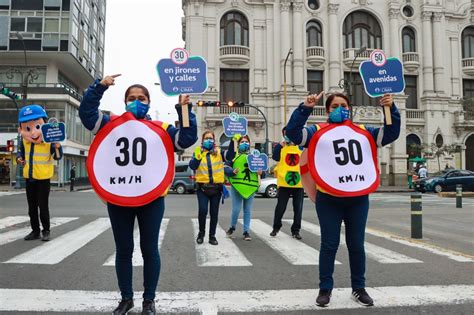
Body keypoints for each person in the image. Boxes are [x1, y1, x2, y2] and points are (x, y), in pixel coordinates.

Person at [79, 74, 197, 315]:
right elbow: (87, 113)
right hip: (119, 197)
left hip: (151, 199)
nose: (136, 101)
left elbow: (186, 138)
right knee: (123, 249)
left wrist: (184, 109)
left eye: (141, 98)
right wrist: (99, 87)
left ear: (149, 101)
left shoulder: (162, 129)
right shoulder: (110, 123)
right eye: (131, 98)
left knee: (149, 249)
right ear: (124, 102)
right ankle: (126, 298)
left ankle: (149, 300)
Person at [286, 92, 400, 307]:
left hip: (357, 198)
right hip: (328, 198)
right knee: (329, 244)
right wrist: (306, 107)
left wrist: (390, 109)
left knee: (356, 244)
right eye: (335, 105)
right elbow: (293, 133)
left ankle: (359, 288)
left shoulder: (364, 132)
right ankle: (325, 289)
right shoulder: (316, 131)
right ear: (328, 110)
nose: (340, 108)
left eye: (344, 105)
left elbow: (391, 133)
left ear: (350, 108)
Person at [16, 105, 63, 242]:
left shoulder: (49, 140)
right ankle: (35, 231)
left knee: (43, 206)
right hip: (29, 177)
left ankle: (46, 230)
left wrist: (57, 147)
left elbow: (57, 157)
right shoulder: (24, 140)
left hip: (43, 178)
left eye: (37, 127)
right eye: (27, 128)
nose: (33, 132)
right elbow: (20, 153)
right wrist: (19, 159)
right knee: (31, 208)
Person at [189, 130, 225, 245]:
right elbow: (192, 166)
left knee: (214, 213)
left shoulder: (219, 152)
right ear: (202, 140)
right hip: (202, 188)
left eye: (211, 138)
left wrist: (234, 142)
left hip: (216, 189)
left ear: (214, 140)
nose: (208, 140)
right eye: (206, 138)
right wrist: (197, 158)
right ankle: (201, 233)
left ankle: (212, 236)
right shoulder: (198, 151)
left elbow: (230, 156)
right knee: (203, 211)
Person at [270, 126, 304, 240]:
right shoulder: (281, 147)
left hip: (298, 183)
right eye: (286, 134)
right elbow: (275, 157)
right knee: (280, 207)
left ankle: (296, 230)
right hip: (284, 183)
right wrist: (280, 145)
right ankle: (276, 227)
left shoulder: (301, 147)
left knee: (298, 208)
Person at [225, 134, 261, 241]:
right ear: (238, 144)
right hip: (237, 186)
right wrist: (232, 172)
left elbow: (260, 170)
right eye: (242, 142)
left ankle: (246, 232)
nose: (244, 144)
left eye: (246, 142)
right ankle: (232, 227)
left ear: (250, 144)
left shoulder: (254, 157)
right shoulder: (234, 156)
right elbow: (226, 167)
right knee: (236, 209)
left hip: (250, 187)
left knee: (247, 210)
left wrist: (260, 172)